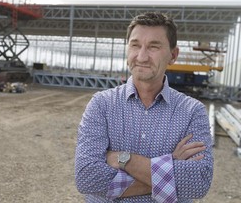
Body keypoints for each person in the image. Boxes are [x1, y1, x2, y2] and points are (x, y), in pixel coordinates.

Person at [75, 12, 213, 203]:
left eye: (153, 47)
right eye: (135, 45)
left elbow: (198, 182)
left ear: (173, 55)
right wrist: (169, 165)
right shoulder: (101, 105)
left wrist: (125, 159)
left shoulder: (192, 111)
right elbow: (87, 179)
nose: (141, 56)